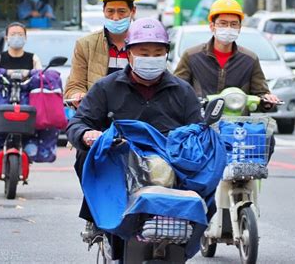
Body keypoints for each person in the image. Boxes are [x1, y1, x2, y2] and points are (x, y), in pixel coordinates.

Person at [66, 18, 202, 253]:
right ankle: (96, 213)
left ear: (166, 55)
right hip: (119, 159)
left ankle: (194, 228)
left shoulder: (183, 91)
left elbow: (198, 129)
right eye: (144, 52)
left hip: (170, 163)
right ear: (129, 54)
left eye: (157, 53)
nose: (150, 58)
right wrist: (87, 134)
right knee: (84, 155)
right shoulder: (106, 87)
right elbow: (78, 122)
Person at [173, 0, 280, 104]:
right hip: (201, 119)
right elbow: (177, 92)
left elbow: (261, 94)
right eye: (223, 23)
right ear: (212, 26)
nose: (228, 28)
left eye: (234, 24)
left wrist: (267, 100)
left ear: (239, 28)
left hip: (239, 120)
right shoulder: (191, 56)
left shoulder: (250, 60)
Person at [64, 0, 140, 107]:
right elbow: (74, 86)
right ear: (103, 10)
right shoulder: (86, 45)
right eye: (110, 11)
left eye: (121, 12)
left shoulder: (143, 44)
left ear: (132, 11)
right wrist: (78, 95)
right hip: (97, 118)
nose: (115, 17)